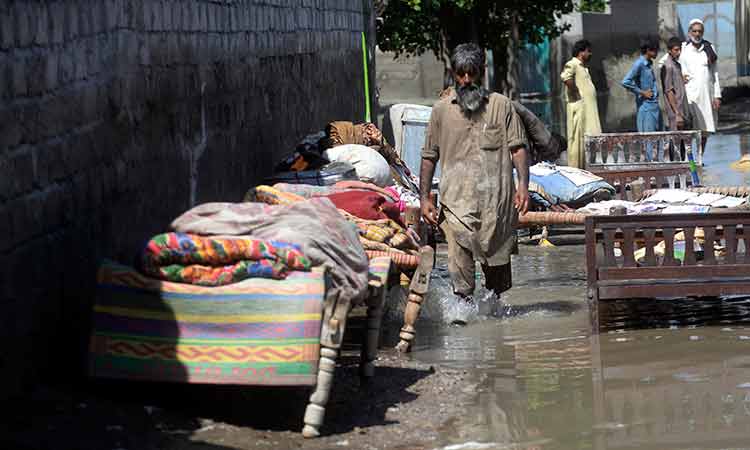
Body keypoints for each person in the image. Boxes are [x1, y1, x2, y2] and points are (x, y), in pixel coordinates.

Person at [420, 43, 529, 303]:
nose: (467, 80)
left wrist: (524, 185)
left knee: (496, 291)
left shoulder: (501, 106)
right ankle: (463, 327)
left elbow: (518, 149)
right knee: (462, 286)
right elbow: (428, 157)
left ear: (483, 71)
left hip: (496, 208)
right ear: (453, 73)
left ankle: (496, 334)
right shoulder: (441, 110)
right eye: (461, 74)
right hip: (456, 207)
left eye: (472, 74)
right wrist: (424, 198)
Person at [680, 18, 721, 155]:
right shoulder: (683, 48)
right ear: (689, 32)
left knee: (705, 128)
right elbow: (666, 64)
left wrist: (717, 95)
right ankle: (688, 157)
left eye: (700, 31)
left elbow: (715, 73)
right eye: (694, 31)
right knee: (690, 128)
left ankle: (699, 157)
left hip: (706, 95)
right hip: (689, 95)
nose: (697, 34)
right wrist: (680, 76)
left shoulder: (709, 49)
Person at [561, 39, 602, 168]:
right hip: (579, 110)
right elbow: (566, 78)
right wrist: (576, 91)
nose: (590, 54)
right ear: (581, 52)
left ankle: (586, 168)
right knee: (576, 142)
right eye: (588, 51)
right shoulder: (572, 63)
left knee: (588, 141)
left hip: (588, 112)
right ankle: (575, 171)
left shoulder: (583, 67)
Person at [660, 37, 690, 131]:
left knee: (683, 143)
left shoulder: (677, 65)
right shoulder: (668, 66)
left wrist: (682, 80)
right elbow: (669, 91)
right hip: (675, 112)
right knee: (675, 141)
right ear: (669, 50)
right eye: (676, 50)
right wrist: (677, 113)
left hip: (682, 109)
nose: (679, 52)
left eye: (680, 49)